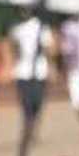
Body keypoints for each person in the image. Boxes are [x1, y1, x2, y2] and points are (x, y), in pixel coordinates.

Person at [9, 10, 54, 140]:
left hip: (39, 69)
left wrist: (51, 67)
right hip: (22, 70)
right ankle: (28, 128)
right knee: (25, 102)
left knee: (37, 101)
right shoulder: (16, 29)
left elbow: (48, 49)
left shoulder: (42, 28)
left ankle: (34, 129)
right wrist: (12, 66)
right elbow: (13, 48)